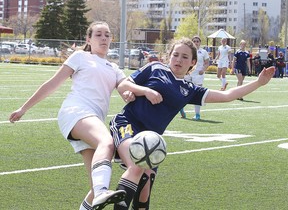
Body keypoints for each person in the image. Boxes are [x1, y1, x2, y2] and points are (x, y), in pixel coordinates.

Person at [109, 37, 275, 210]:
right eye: (175, 55)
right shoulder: (155, 68)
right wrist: (145, 91)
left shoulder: (189, 89)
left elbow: (227, 96)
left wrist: (258, 83)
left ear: (193, 62)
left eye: (185, 57)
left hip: (152, 140)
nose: (179, 60)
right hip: (127, 124)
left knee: (146, 183)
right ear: (169, 56)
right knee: (138, 166)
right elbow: (123, 85)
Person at [9, 21, 135, 210]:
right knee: (106, 143)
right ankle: (102, 192)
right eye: (98, 34)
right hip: (76, 112)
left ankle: (98, 192)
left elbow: (126, 88)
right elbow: (52, 84)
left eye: (107, 35)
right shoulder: (81, 57)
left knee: (96, 184)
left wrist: (128, 94)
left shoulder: (114, 68)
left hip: (92, 121)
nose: (103, 38)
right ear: (88, 39)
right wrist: (23, 108)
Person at [179, 35, 210, 120]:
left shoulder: (203, 52)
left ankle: (197, 114)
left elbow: (207, 62)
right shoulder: (189, 51)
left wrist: (203, 69)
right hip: (188, 74)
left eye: (197, 41)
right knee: (184, 92)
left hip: (198, 75)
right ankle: (180, 108)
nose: (196, 43)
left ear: (200, 42)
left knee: (197, 94)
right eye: (194, 41)